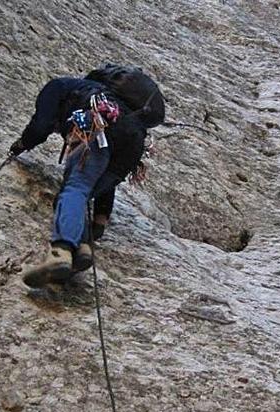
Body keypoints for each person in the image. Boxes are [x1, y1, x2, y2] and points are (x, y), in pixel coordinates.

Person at [9, 64, 164, 288]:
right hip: (133, 146)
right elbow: (106, 180)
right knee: (81, 193)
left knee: (74, 189)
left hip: (99, 125)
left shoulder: (60, 86)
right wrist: (100, 220)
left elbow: (41, 126)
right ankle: (81, 249)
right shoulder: (124, 109)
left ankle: (61, 253)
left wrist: (21, 145)